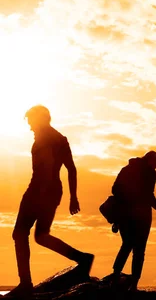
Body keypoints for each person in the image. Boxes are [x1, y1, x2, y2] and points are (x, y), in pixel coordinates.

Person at [9, 105, 94, 297]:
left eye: (31, 121)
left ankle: (25, 285)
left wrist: (72, 197)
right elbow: (71, 169)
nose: (30, 126)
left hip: (40, 191)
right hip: (51, 191)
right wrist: (71, 196)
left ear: (40, 119)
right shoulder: (56, 138)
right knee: (41, 235)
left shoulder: (52, 139)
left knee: (20, 233)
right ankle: (83, 258)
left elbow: (69, 169)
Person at [111, 151, 156, 292]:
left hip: (126, 214)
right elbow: (148, 195)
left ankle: (115, 278)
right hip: (141, 217)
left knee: (126, 246)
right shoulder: (149, 173)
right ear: (150, 160)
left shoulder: (127, 169)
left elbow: (114, 189)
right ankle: (133, 285)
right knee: (139, 251)